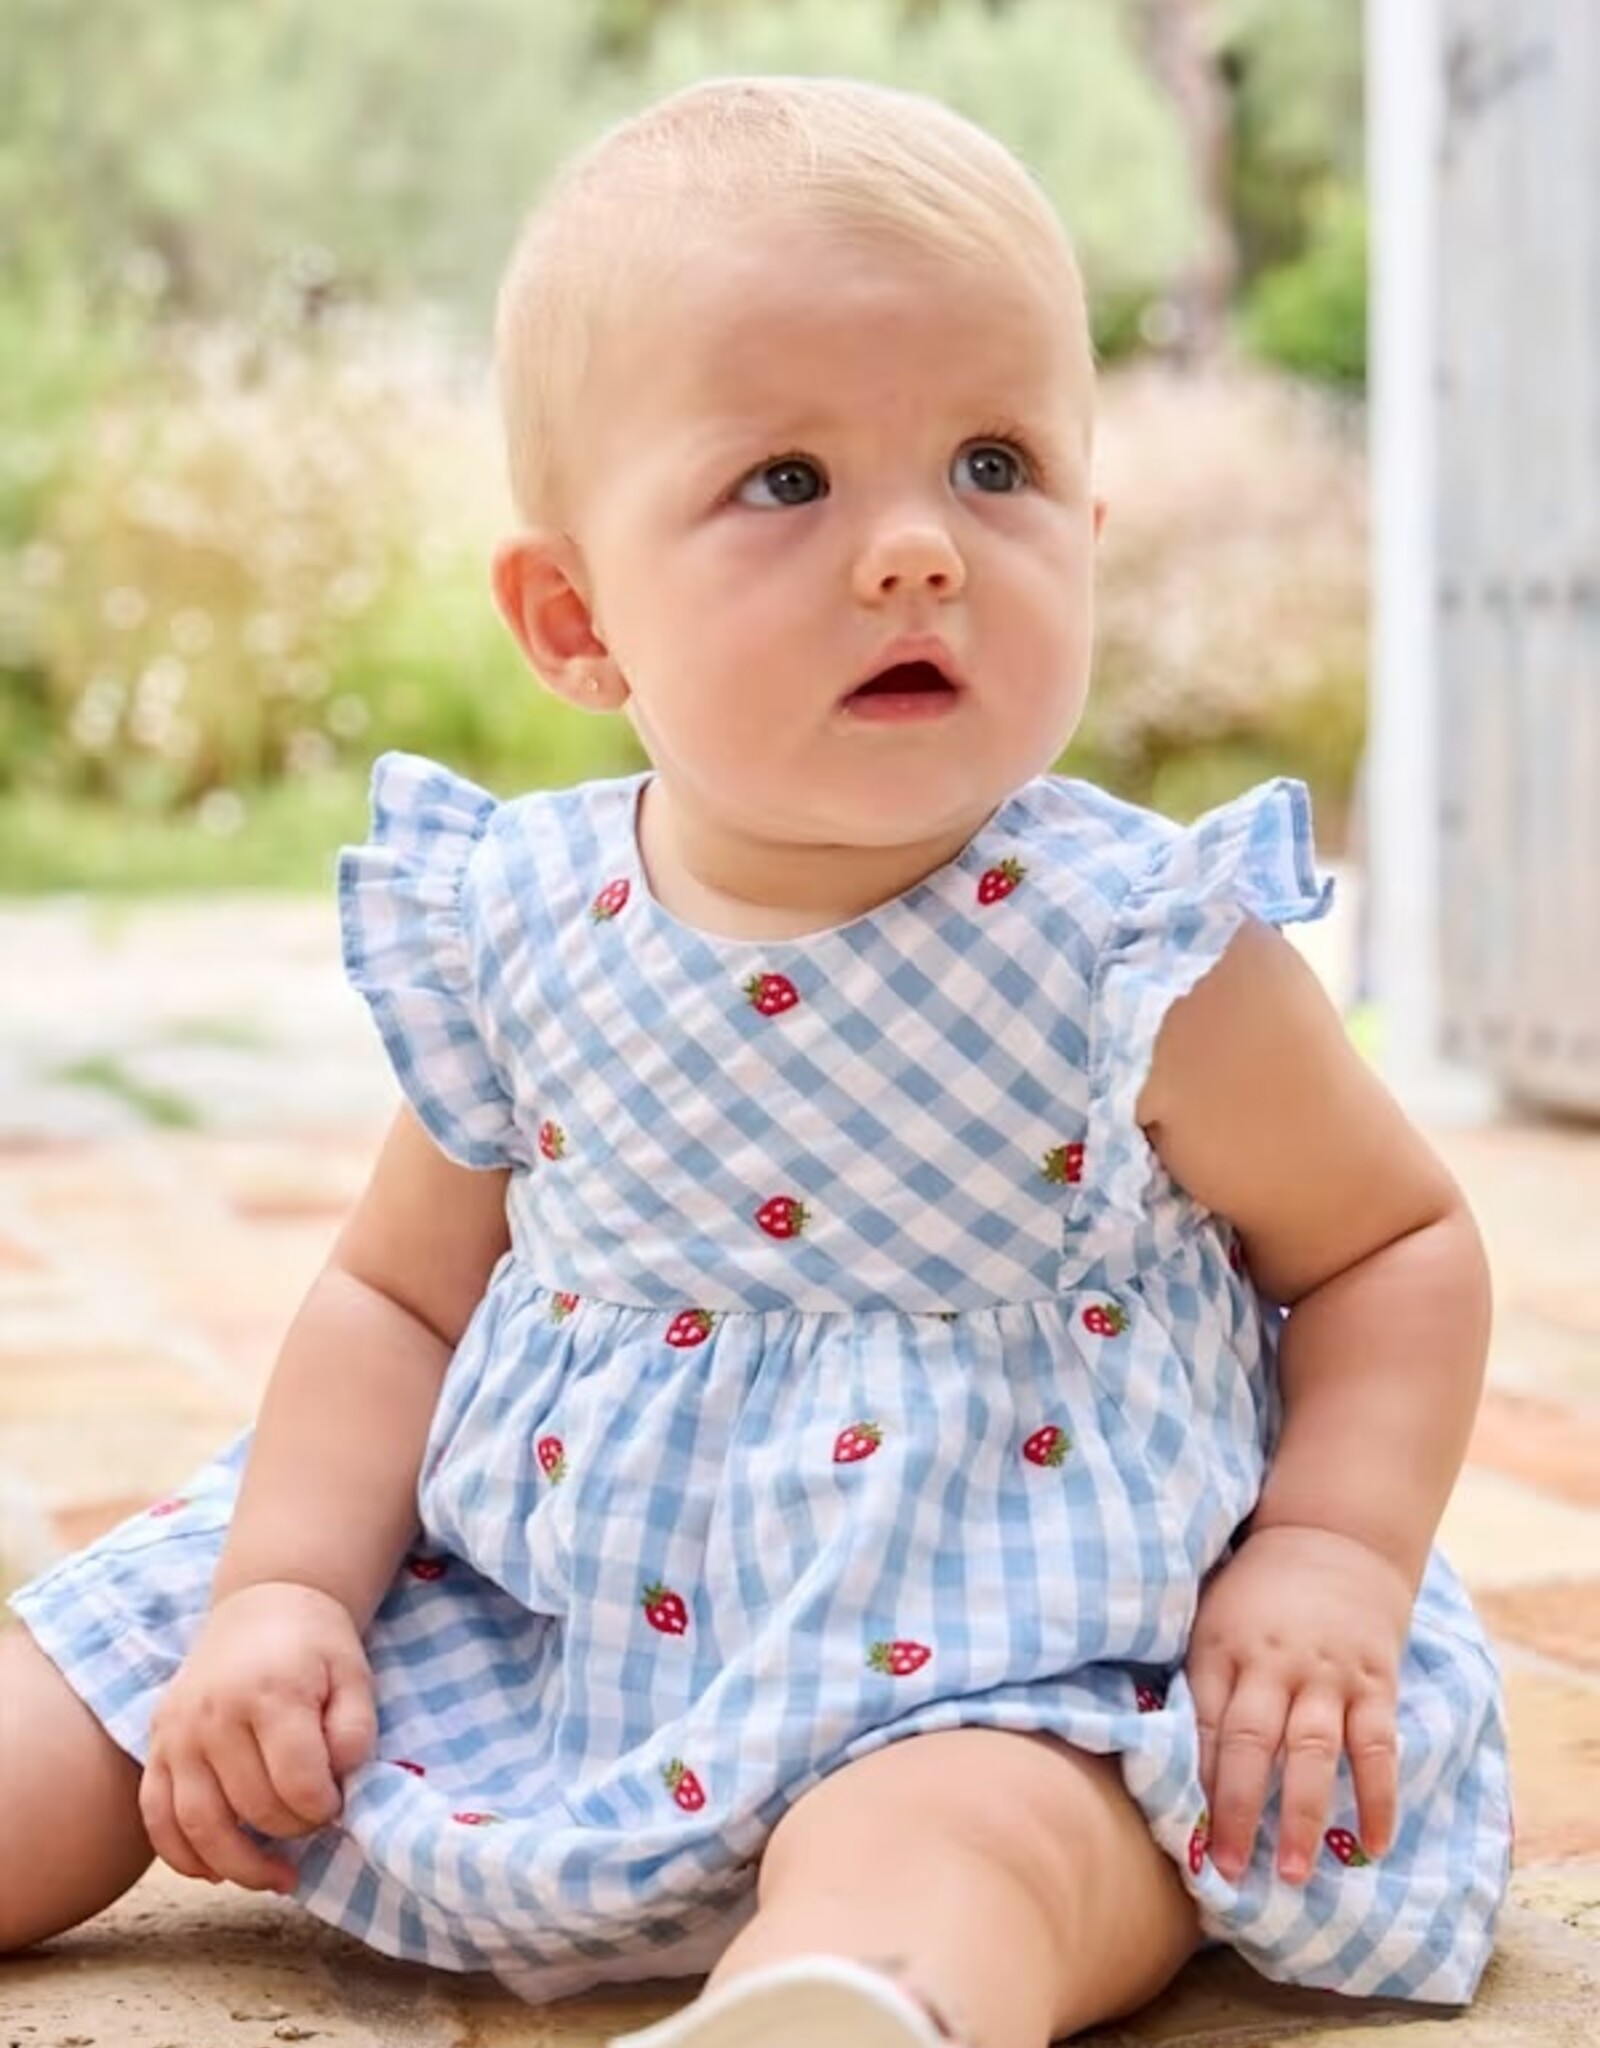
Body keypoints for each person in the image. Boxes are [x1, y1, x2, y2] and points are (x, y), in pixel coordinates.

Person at [1, 75, 1509, 2048]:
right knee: (112, 1681)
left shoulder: (1132, 945)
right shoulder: (518, 913)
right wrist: (283, 1590)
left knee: (988, 1832)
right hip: (533, 1586)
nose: (913, 553)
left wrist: (1321, 1555)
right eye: (787, 483)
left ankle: (850, 1999)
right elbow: (393, 1290)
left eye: (990, 465)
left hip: (990, 1613)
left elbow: (1387, 1247)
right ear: (571, 617)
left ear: (1086, 520)